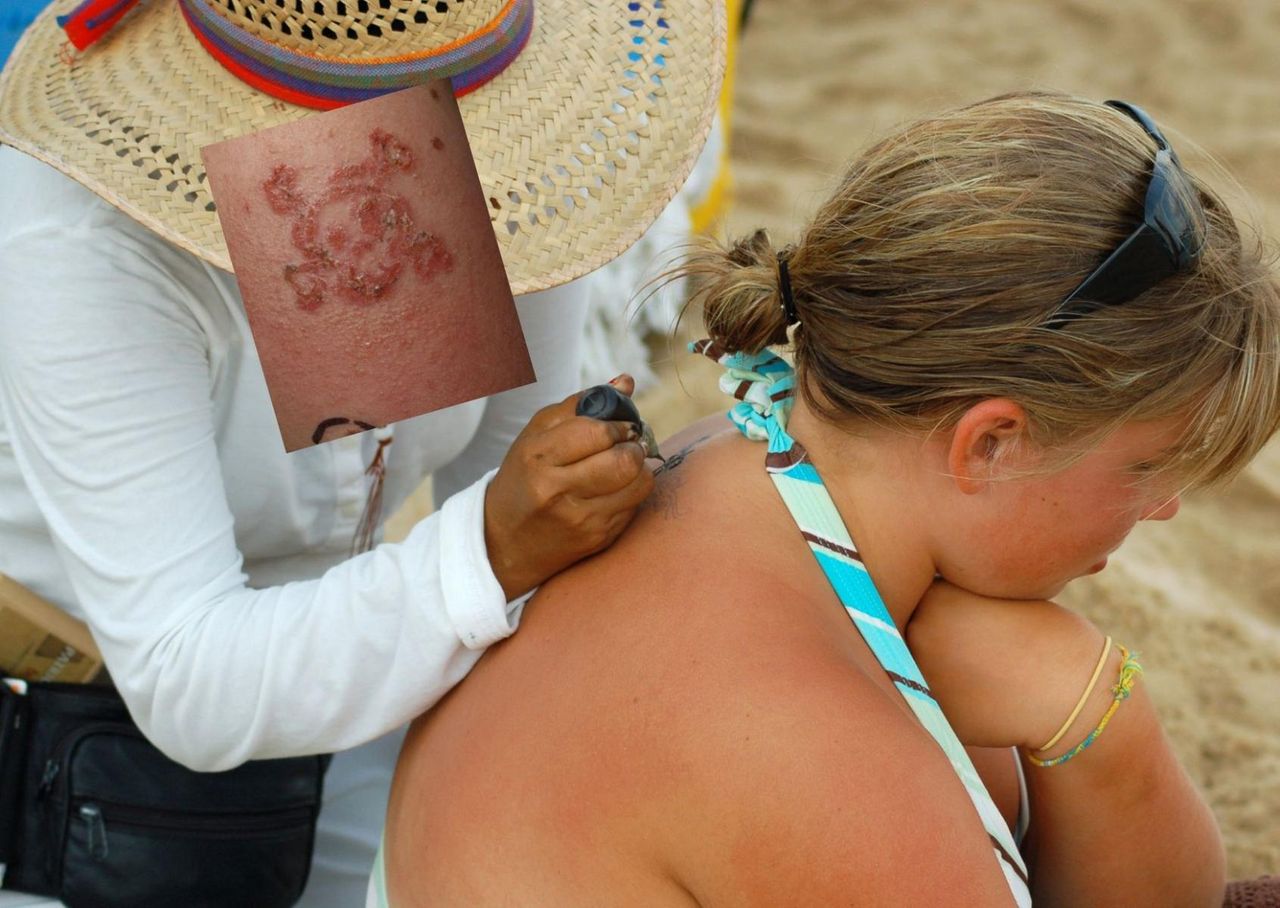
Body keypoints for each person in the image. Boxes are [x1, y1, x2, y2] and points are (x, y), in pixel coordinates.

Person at [379, 92, 1280, 906]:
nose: (1162, 509)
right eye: (1149, 468)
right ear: (991, 445)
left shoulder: (746, 451)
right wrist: (1104, 718)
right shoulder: (819, 762)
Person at [0, 1, 724, 905]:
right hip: (81, 763)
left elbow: (515, 479)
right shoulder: (85, 235)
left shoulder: (490, 139)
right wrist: (491, 552)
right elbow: (187, 679)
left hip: (369, 676)